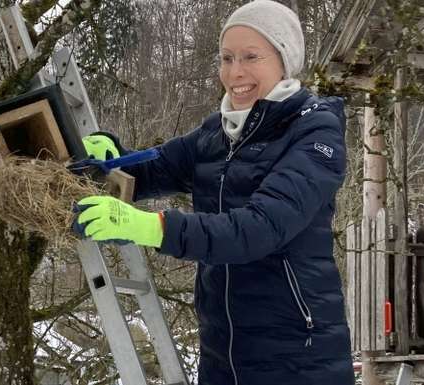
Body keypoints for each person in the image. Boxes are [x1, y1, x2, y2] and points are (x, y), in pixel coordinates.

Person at [73, 1, 355, 384]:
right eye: (226, 57)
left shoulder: (314, 131)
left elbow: (258, 229)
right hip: (221, 351)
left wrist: (153, 228)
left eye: (251, 56)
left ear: (284, 60)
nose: (234, 72)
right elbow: (153, 170)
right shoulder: (215, 133)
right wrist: (111, 160)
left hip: (297, 358)